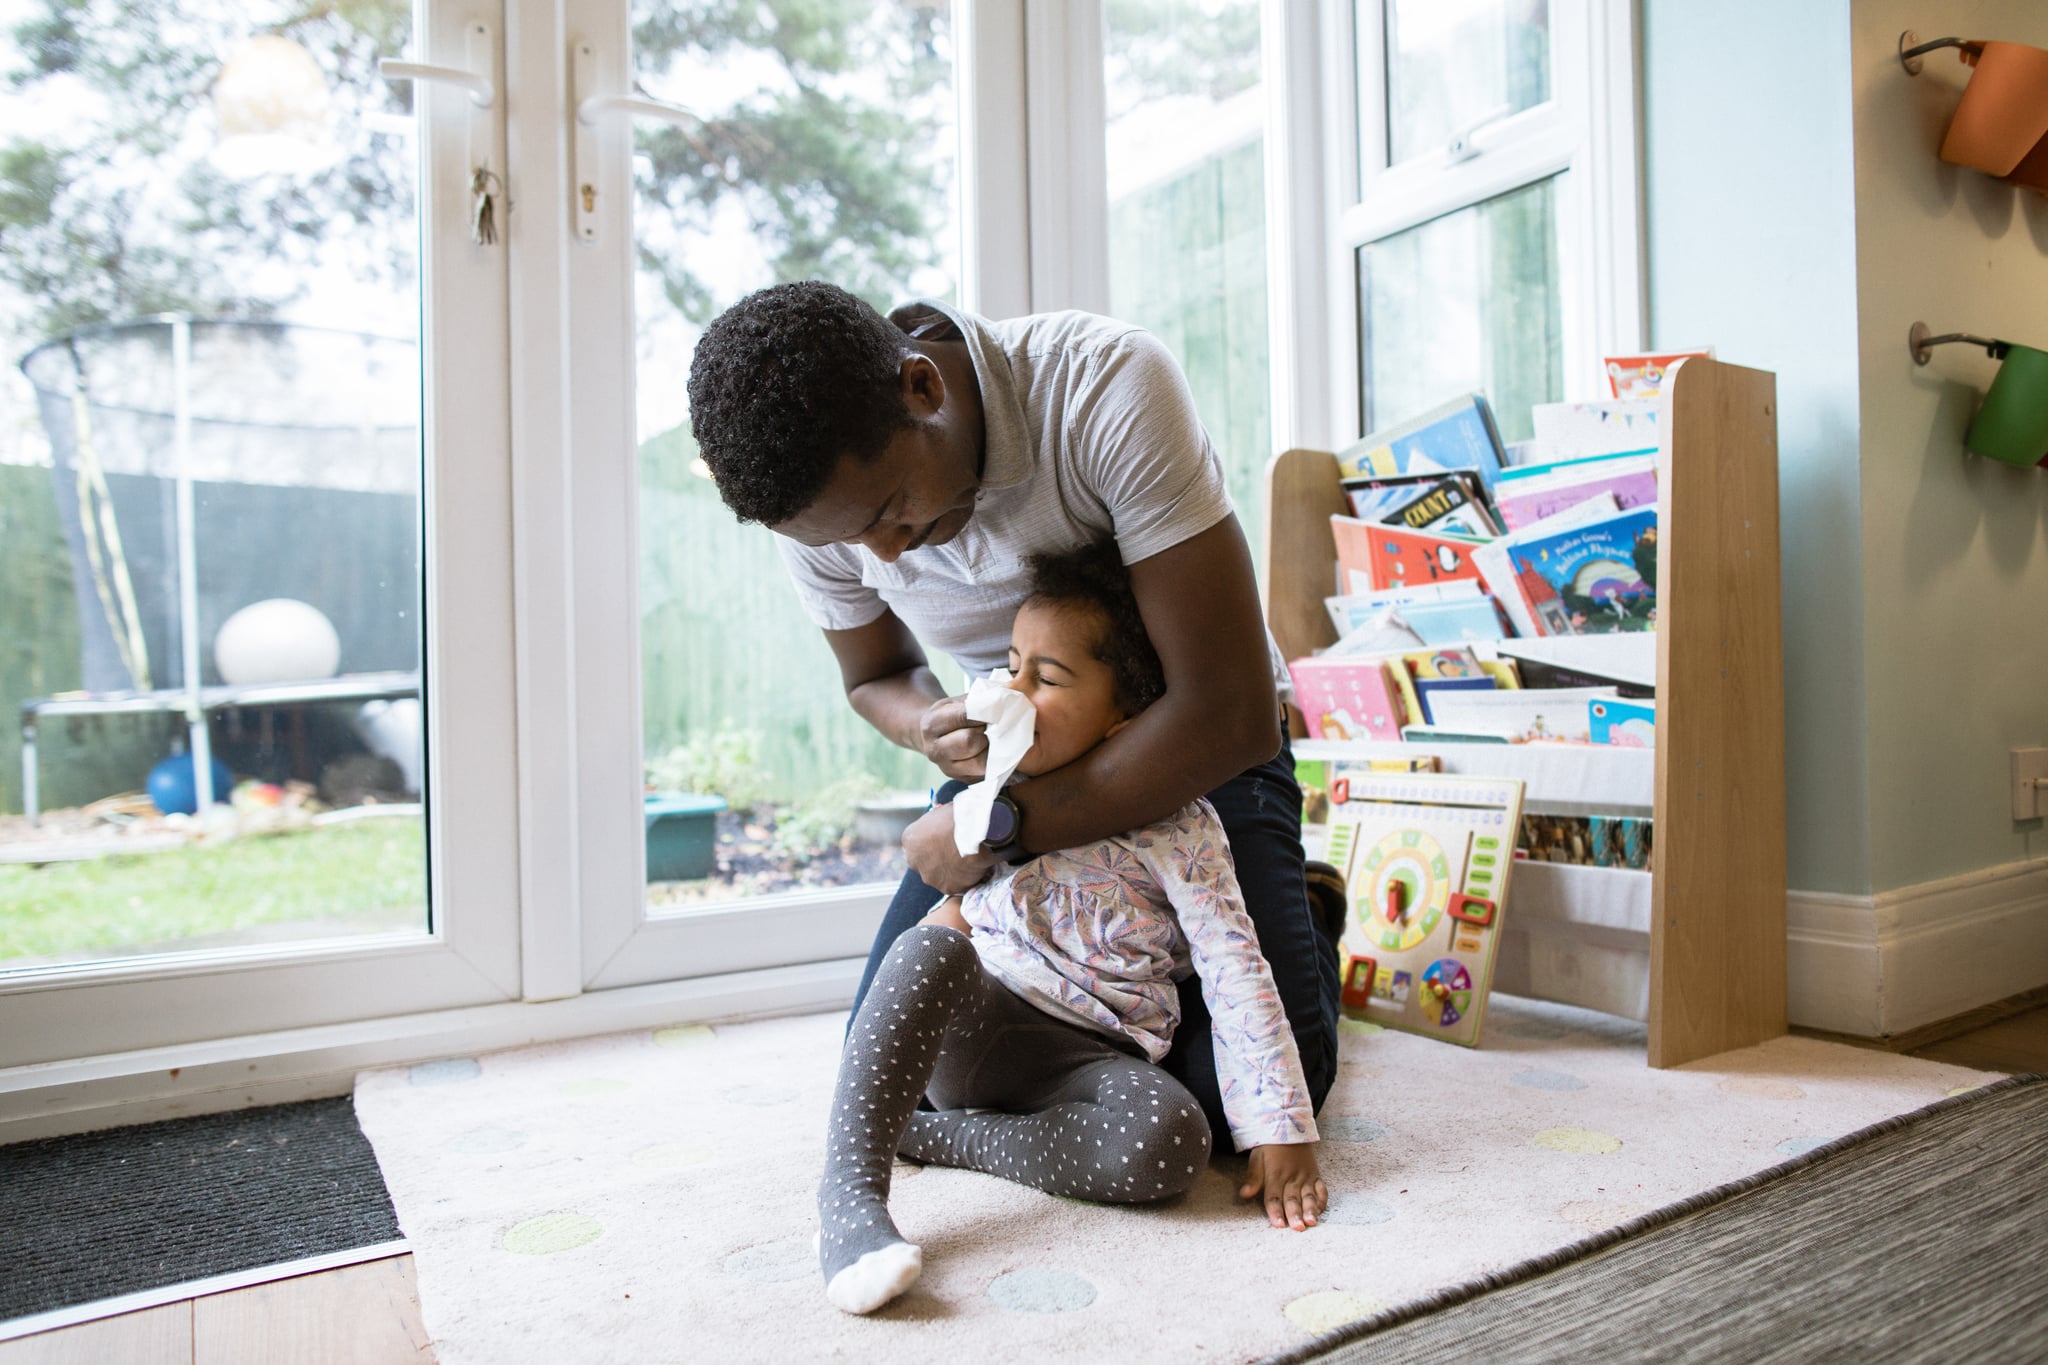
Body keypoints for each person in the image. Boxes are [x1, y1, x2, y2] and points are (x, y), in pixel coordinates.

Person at [684, 281, 1340, 1154]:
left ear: (923, 389)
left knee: (1237, 1108)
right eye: (846, 542)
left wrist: (993, 828)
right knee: (889, 1071)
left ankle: (1307, 908)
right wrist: (929, 730)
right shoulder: (821, 509)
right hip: (1016, 766)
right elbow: (877, 674)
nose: (885, 555)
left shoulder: (1103, 388)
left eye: (887, 514)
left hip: (1192, 752)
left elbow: (1228, 714)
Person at [812, 541, 1323, 1314]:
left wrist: (1279, 1123)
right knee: (927, 952)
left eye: (1045, 678)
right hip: (981, 1015)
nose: (1011, 691)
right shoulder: (995, 791)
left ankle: (949, 1138)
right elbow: (951, 922)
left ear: (1129, 714)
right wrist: (954, 880)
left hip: (1086, 1060)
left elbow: (1233, 965)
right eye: (1009, 664)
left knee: (1175, 1140)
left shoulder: (1185, 832)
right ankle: (850, 1198)